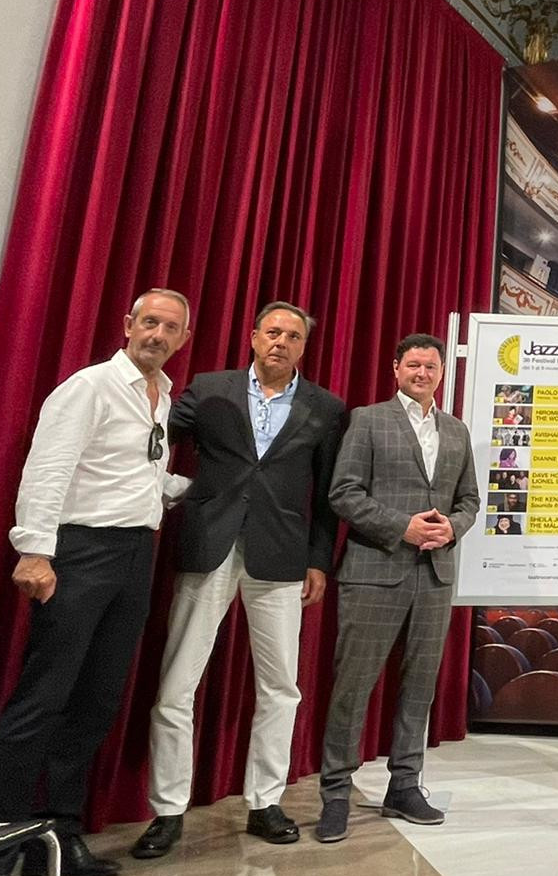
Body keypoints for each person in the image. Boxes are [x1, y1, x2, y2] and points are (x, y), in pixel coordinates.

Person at [131, 302, 345, 859]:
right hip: (209, 545)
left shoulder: (326, 407)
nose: (281, 342)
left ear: (303, 347)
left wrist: (318, 561)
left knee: (282, 688)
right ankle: (167, 810)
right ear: (253, 336)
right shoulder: (209, 389)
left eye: (293, 336)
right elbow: (150, 440)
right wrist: (174, 491)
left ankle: (265, 801)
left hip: (282, 557)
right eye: (272, 331)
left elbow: (326, 496)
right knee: (176, 686)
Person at [0, 289, 192, 876]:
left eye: (171, 328)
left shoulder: (162, 396)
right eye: (150, 322)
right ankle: (7, 832)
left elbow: (138, 473)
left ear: (183, 339)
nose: (158, 335)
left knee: (97, 699)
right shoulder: (90, 387)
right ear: (128, 323)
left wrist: (196, 493)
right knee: (45, 694)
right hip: (79, 553)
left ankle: (61, 831)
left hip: (135, 555)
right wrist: (34, 550)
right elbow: (48, 467)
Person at [314, 333, 479, 844]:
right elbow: (343, 492)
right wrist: (401, 526)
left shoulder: (456, 430)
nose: (422, 373)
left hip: (435, 576)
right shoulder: (367, 420)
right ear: (396, 369)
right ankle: (336, 794)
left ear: (441, 373)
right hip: (373, 570)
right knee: (353, 685)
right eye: (413, 365)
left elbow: (470, 500)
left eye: (431, 366)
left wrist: (453, 527)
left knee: (419, 687)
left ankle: (404, 786)